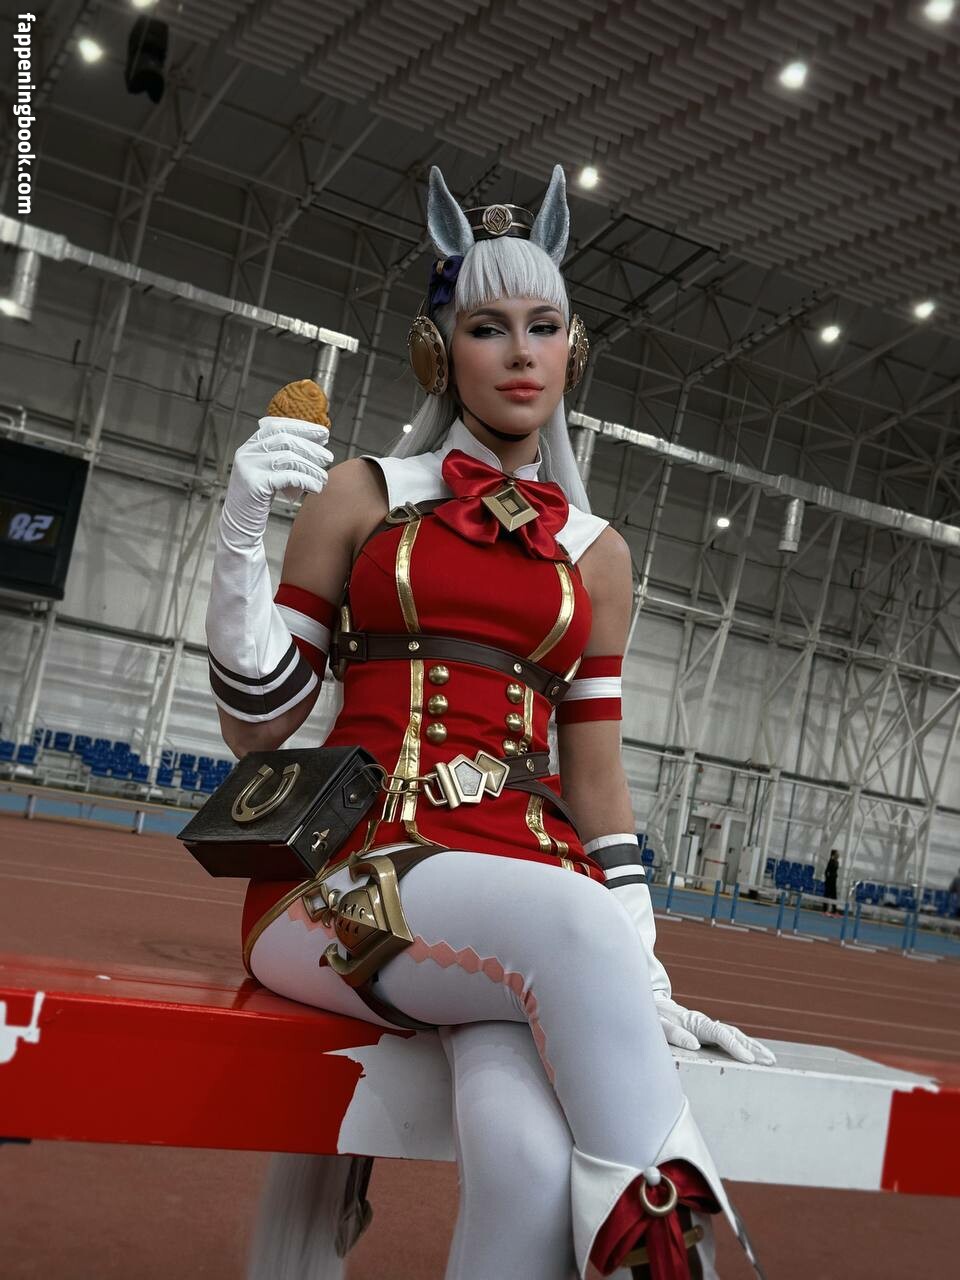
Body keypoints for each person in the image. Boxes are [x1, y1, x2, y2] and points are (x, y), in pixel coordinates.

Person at [204, 163, 776, 1280]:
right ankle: (677, 1251)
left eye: (543, 326)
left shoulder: (597, 555)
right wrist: (238, 531)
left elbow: (596, 783)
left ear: (574, 350)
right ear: (439, 352)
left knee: (525, 1161)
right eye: (487, 326)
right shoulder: (365, 494)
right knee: (569, 928)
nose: (521, 352)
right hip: (344, 886)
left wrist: (642, 970)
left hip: (519, 909)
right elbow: (260, 723)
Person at [823, 850, 840, 916]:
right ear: (833, 855)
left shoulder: (837, 862)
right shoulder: (831, 861)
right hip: (829, 881)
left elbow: (835, 871)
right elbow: (826, 871)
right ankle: (825, 910)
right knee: (827, 895)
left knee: (834, 896)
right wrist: (827, 879)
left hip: (834, 881)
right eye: (837, 854)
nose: (838, 855)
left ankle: (834, 911)